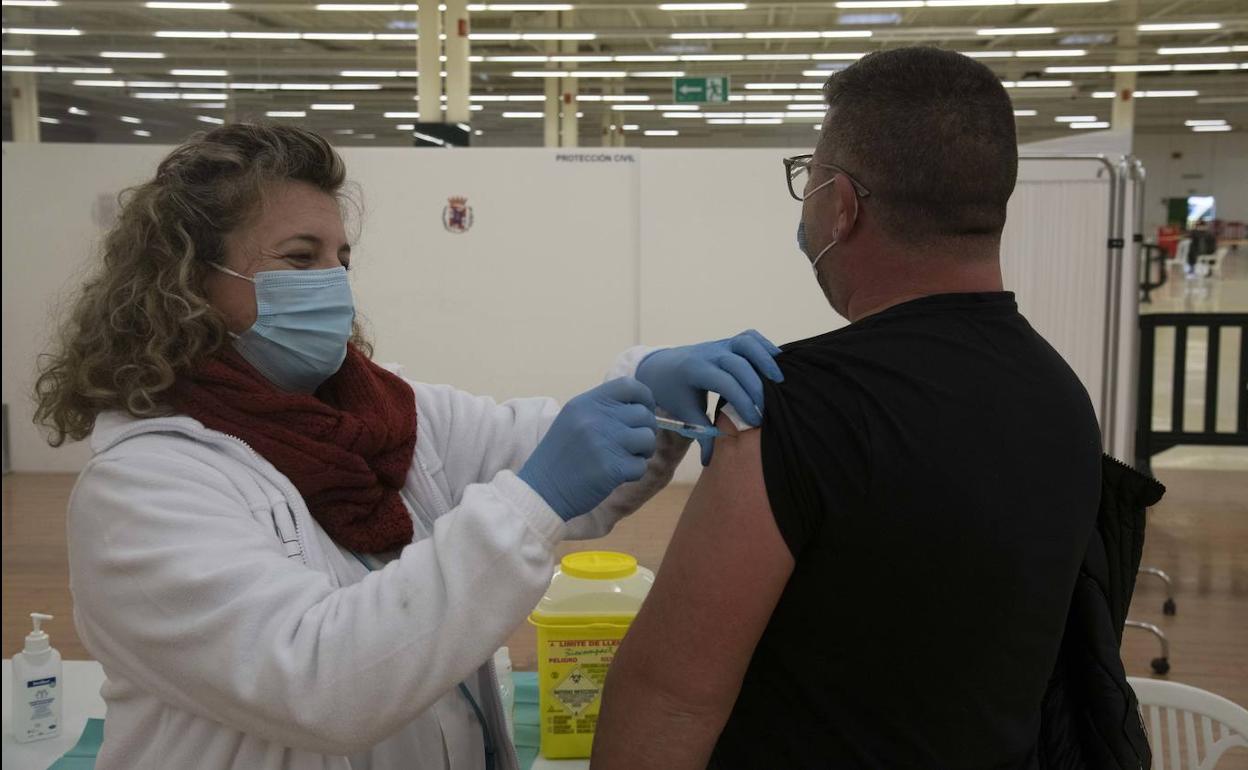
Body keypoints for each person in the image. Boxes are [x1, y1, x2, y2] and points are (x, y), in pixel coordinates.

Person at [32, 123, 783, 770]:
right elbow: (322, 681)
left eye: (341, 258)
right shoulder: (144, 487)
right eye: (299, 258)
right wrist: (534, 501)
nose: (333, 284)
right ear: (188, 284)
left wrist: (649, 396)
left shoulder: (379, 414)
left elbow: (551, 451)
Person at [594, 47, 1104, 769]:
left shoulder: (791, 404)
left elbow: (667, 700)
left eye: (808, 177)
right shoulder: (1063, 400)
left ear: (842, 204)